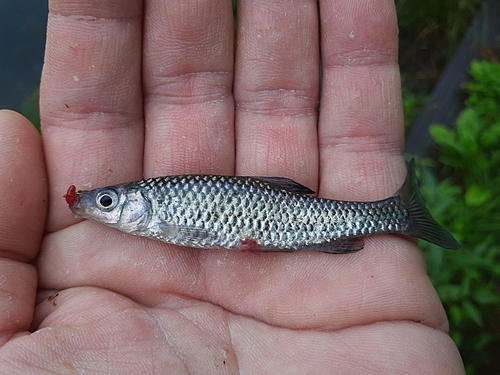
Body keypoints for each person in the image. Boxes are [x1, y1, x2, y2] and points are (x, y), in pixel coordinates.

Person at [0, 0, 465, 373]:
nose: (98, 207)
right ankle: (395, 214)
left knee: (316, 222)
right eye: (105, 201)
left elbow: (198, 233)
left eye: (107, 202)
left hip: (282, 217)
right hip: (279, 218)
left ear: (141, 204)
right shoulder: (155, 211)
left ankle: (396, 214)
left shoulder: (159, 214)